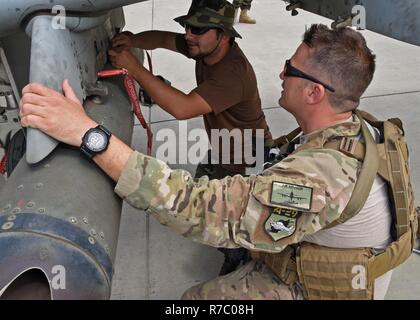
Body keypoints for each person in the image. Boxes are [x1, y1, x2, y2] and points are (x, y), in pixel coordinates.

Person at [19, 24, 416, 300]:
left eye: (290, 69)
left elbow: (196, 208)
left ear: (314, 93)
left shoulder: (320, 179)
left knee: (194, 301)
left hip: (321, 288)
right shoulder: (355, 129)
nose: (280, 73)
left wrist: (89, 135)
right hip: (321, 248)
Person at [110, 0, 272, 275]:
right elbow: (163, 39)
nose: (188, 34)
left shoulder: (233, 73)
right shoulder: (204, 46)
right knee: (206, 185)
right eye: (188, 26)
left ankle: (240, 261)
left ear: (223, 35)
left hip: (248, 157)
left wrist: (135, 69)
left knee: (231, 218)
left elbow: (182, 108)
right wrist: (134, 39)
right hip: (225, 146)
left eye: (197, 29)